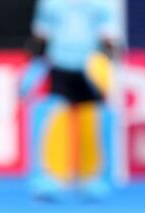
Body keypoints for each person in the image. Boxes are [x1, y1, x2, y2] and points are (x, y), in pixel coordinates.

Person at [20, 0, 123, 201]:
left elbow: (109, 39)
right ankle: (52, 178)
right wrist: (33, 67)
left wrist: (109, 69)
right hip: (60, 67)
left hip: (90, 69)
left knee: (90, 124)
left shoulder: (101, 4)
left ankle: (93, 179)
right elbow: (41, 37)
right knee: (57, 121)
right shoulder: (51, 4)